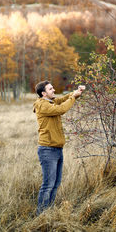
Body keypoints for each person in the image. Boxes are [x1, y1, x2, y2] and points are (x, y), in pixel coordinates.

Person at [33, 80, 85, 215]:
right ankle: (41, 215)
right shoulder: (42, 105)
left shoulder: (49, 102)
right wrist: (73, 97)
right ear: (43, 93)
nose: (54, 90)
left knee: (55, 184)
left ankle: (48, 212)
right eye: (51, 89)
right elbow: (61, 109)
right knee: (48, 185)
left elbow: (61, 100)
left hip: (57, 149)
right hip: (48, 150)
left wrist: (75, 93)